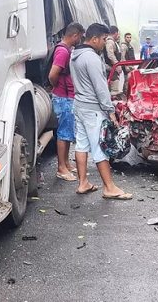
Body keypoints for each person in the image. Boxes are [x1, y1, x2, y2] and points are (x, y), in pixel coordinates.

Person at [70, 23, 133, 200]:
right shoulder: (91, 58)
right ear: (94, 38)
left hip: (80, 105)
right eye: (104, 39)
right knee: (100, 147)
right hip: (92, 109)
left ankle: (83, 183)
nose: (105, 43)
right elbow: (100, 88)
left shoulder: (75, 55)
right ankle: (109, 187)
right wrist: (110, 110)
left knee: (81, 145)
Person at [48, 22, 85, 181]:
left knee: (67, 131)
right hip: (63, 98)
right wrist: (59, 88)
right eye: (80, 37)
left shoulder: (65, 49)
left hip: (67, 96)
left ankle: (67, 164)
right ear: (75, 35)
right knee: (63, 133)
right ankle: (61, 168)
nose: (80, 40)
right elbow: (52, 75)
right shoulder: (63, 52)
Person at [105, 25, 124, 97]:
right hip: (111, 70)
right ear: (115, 33)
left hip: (112, 69)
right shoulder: (110, 42)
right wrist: (117, 66)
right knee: (114, 91)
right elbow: (110, 55)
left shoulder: (112, 42)